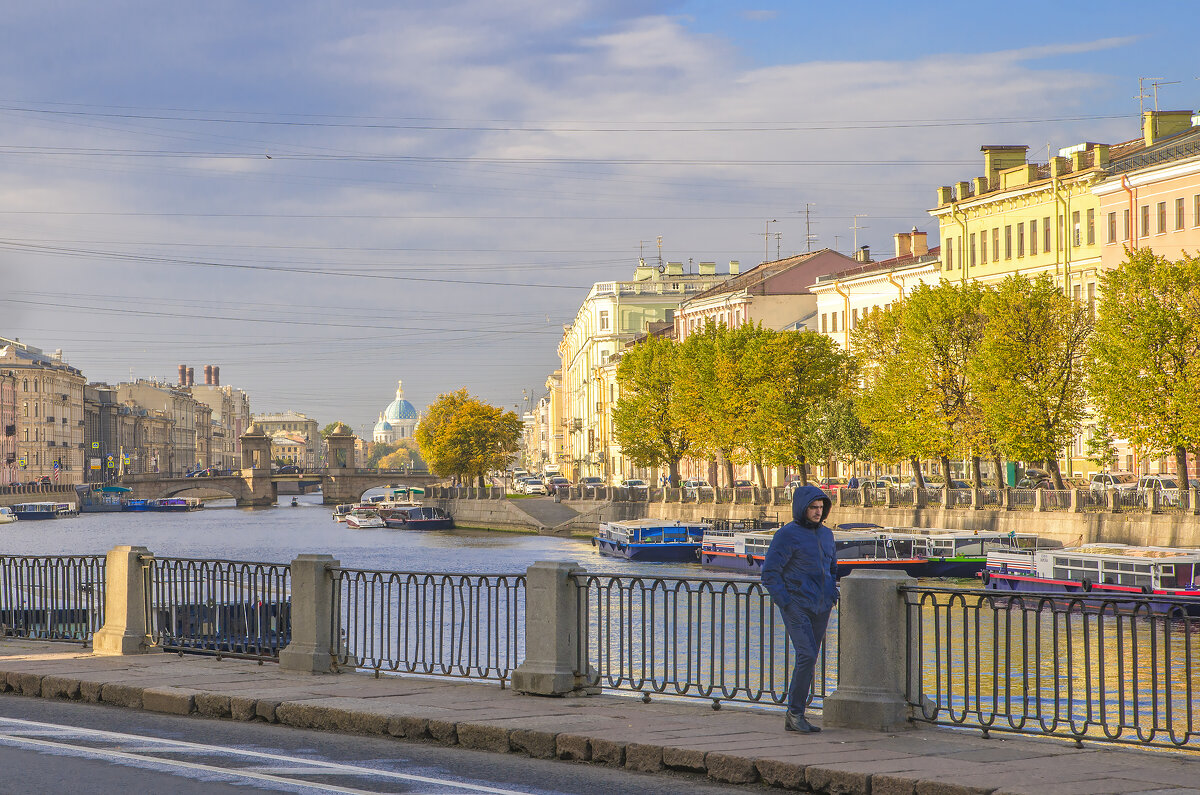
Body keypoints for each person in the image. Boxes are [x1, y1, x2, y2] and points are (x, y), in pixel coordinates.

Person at [761, 483, 838, 734]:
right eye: (813, 507)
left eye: (821, 507)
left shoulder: (827, 535)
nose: (818, 512)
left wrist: (831, 592)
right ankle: (795, 713)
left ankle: (794, 715)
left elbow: (832, 568)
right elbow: (770, 573)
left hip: (821, 605)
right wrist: (785, 601)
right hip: (796, 604)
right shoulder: (787, 534)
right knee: (806, 655)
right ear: (801, 508)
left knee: (810, 658)